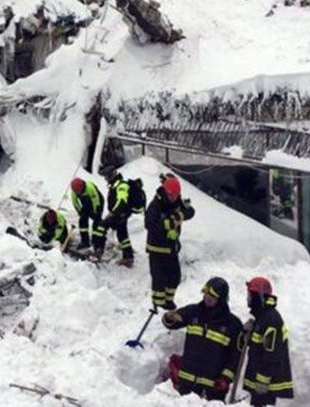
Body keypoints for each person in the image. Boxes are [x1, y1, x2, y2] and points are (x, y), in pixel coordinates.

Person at [162, 277, 244, 401]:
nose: (207, 297)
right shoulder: (193, 312)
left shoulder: (233, 324)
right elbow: (173, 321)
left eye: (212, 295)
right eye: (206, 293)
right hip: (187, 383)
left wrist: (225, 379)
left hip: (213, 388)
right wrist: (169, 318)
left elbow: (235, 357)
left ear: (221, 298)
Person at [145, 174, 194, 310]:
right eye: (171, 196)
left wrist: (180, 216)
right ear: (165, 192)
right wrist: (170, 223)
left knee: (174, 277)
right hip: (157, 248)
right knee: (158, 279)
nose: (173, 199)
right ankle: (157, 304)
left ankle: (168, 301)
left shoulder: (178, 200)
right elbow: (149, 224)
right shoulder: (155, 205)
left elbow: (190, 211)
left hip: (172, 248)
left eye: (175, 196)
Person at [242, 277, 294, 406]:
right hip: (261, 380)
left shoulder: (271, 320)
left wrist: (263, 380)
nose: (247, 299)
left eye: (250, 295)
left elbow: (272, 354)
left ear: (258, 296)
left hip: (266, 384)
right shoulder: (261, 318)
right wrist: (247, 332)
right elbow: (256, 346)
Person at [93, 170, 145, 267]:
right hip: (121, 213)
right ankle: (128, 257)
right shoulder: (116, 185)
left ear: (111, 176)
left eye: (107, 177)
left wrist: (112, 213)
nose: (105, 179)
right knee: (122, 235)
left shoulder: (121, 186)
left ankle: (98, 251)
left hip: (119, 214)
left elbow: (122, 200)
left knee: (101, 227)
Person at [70, 177, 104, 250]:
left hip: (98, 201)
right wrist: (80, 211)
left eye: (78, 191)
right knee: (82, 220)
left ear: (82, 188)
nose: (77, 193)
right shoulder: (74, 192)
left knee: (97, 221)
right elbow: (75, 202)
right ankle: (85, 241)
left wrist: (96, 212)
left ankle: (96, 241)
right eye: (76, 192)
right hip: (86, 203)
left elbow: (96, 200)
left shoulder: (90, 188)